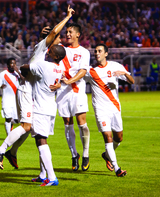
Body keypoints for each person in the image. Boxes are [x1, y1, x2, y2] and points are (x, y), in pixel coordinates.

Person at [0, 6, 74, 171]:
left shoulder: (44, 52)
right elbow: (50, 36)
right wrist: (67, 17)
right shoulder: (44, 47)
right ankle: (0, 151)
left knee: (32, 129)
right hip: (26, 91)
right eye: (57, 36)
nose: (60, 38)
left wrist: (59, 83)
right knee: (27, 127)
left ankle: (13, 153)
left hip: (34, 92)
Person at [21, 45, 66, 186]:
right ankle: (42, 174)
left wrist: (21, 67)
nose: (48, 51)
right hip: (50, 107)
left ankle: (52, 178)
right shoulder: (60, 69)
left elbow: (26, 67)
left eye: (51, 51)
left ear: (56, 56)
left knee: (41, 141)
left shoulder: (44, 66)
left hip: (41, 108)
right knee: (39, 140)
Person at [86, 43, 134, 177]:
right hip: (101, 109)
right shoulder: (91, 71)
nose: (96, 53)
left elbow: (132, 81)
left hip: (115, 108)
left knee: (119, 138)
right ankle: (117, 169)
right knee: (108, 137)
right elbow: (78, 77)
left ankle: (106, 155)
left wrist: (124, 73)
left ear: (106, 54)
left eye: (99, 51)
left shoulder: (115, 66)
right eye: (95, 51)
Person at [58, 22, 91, 171]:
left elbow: (83, 71)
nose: (68, 34)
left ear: (78, 34)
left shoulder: (84, 52)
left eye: (70, 32)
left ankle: (85, 154)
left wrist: (70, 81)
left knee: (81, 123)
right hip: (62, 92)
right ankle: (74, 155)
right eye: (66, 32)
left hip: (77, 90)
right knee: (67, 123)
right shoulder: (61, 51)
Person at [0, 58, 20, 136]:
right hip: (7, 100)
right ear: (8, 65)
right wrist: (0, 86)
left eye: (14, 63)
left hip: (16, 100)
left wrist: (18, 71)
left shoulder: (17, 74)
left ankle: (11, 129)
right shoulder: (3, 74)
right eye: (12, 63)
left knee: (16, 120)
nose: (13, 65)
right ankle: (9, 136)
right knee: (8, 118)